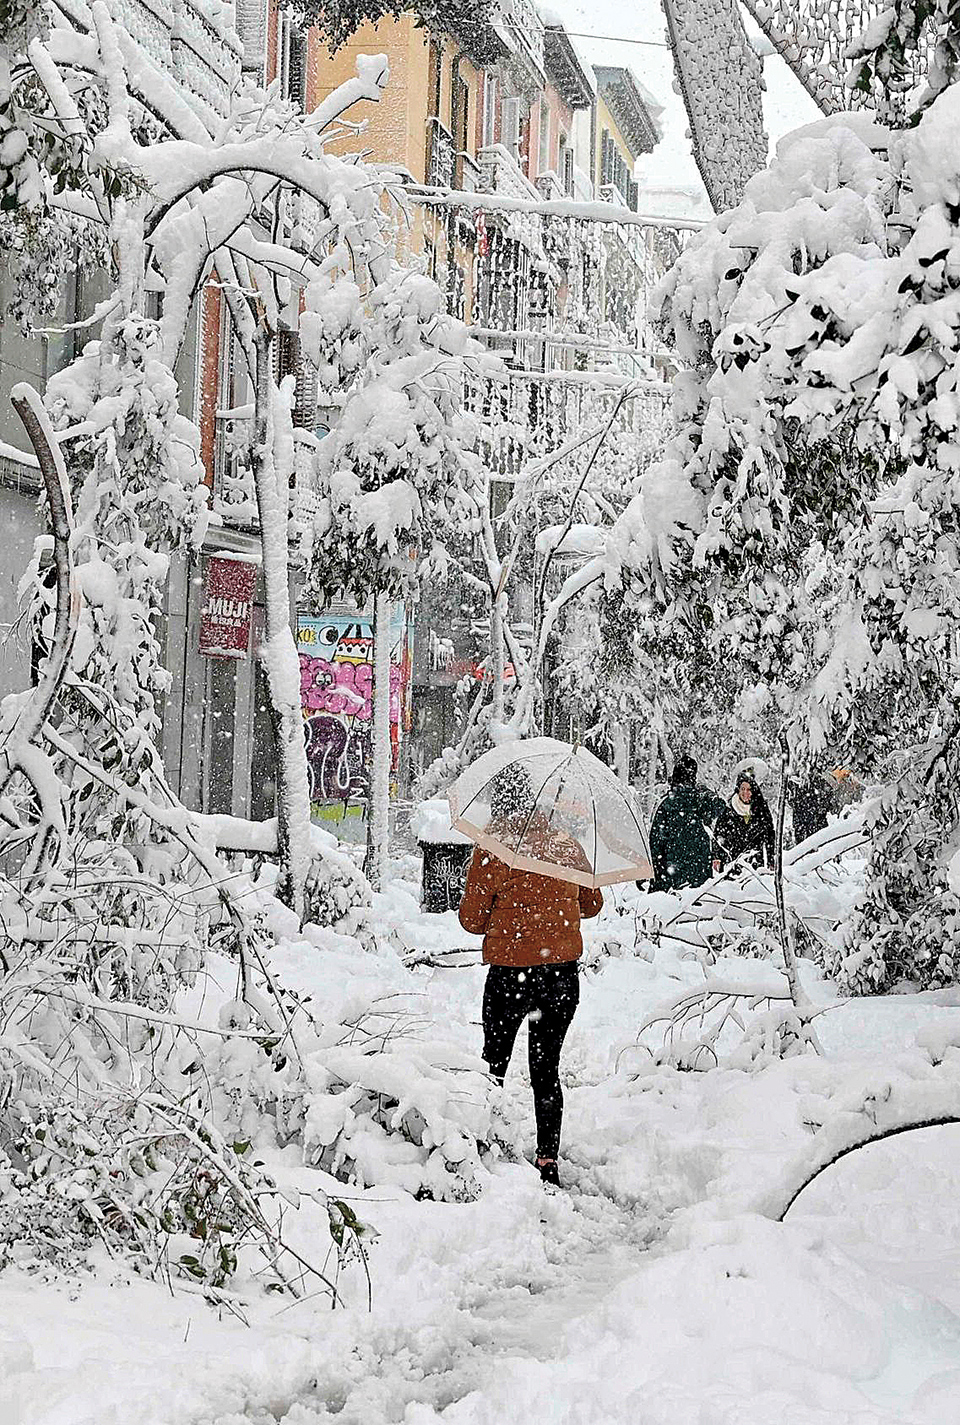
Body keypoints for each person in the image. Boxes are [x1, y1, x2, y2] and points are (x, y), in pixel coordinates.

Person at [458, 766, 602, 1188]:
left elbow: (471, 920)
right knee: (546, 1069)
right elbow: (591, 903)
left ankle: (485, 1145)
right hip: (559, 977)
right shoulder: (565, 844)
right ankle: (546, 1159)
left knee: (493, 1066)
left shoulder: (492, 847)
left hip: (509, 977)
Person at [648, 754, 726, 892]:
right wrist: (705, 791)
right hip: (698, 872)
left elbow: (655, 843)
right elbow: (720, 805)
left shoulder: (667, 804)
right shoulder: (700, 800)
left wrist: (653, 872)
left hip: (670, 872)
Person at [715, 771, 776, 870]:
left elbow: (770, 836)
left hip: (755, 862)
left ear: (753, 791)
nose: (745, 793)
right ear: (738, 790)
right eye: (742, 789)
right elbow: (718, 834)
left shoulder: (761, 809)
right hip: (731, 862)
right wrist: (717, 857)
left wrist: (771, 860)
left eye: (749, 789)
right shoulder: (729, 809)